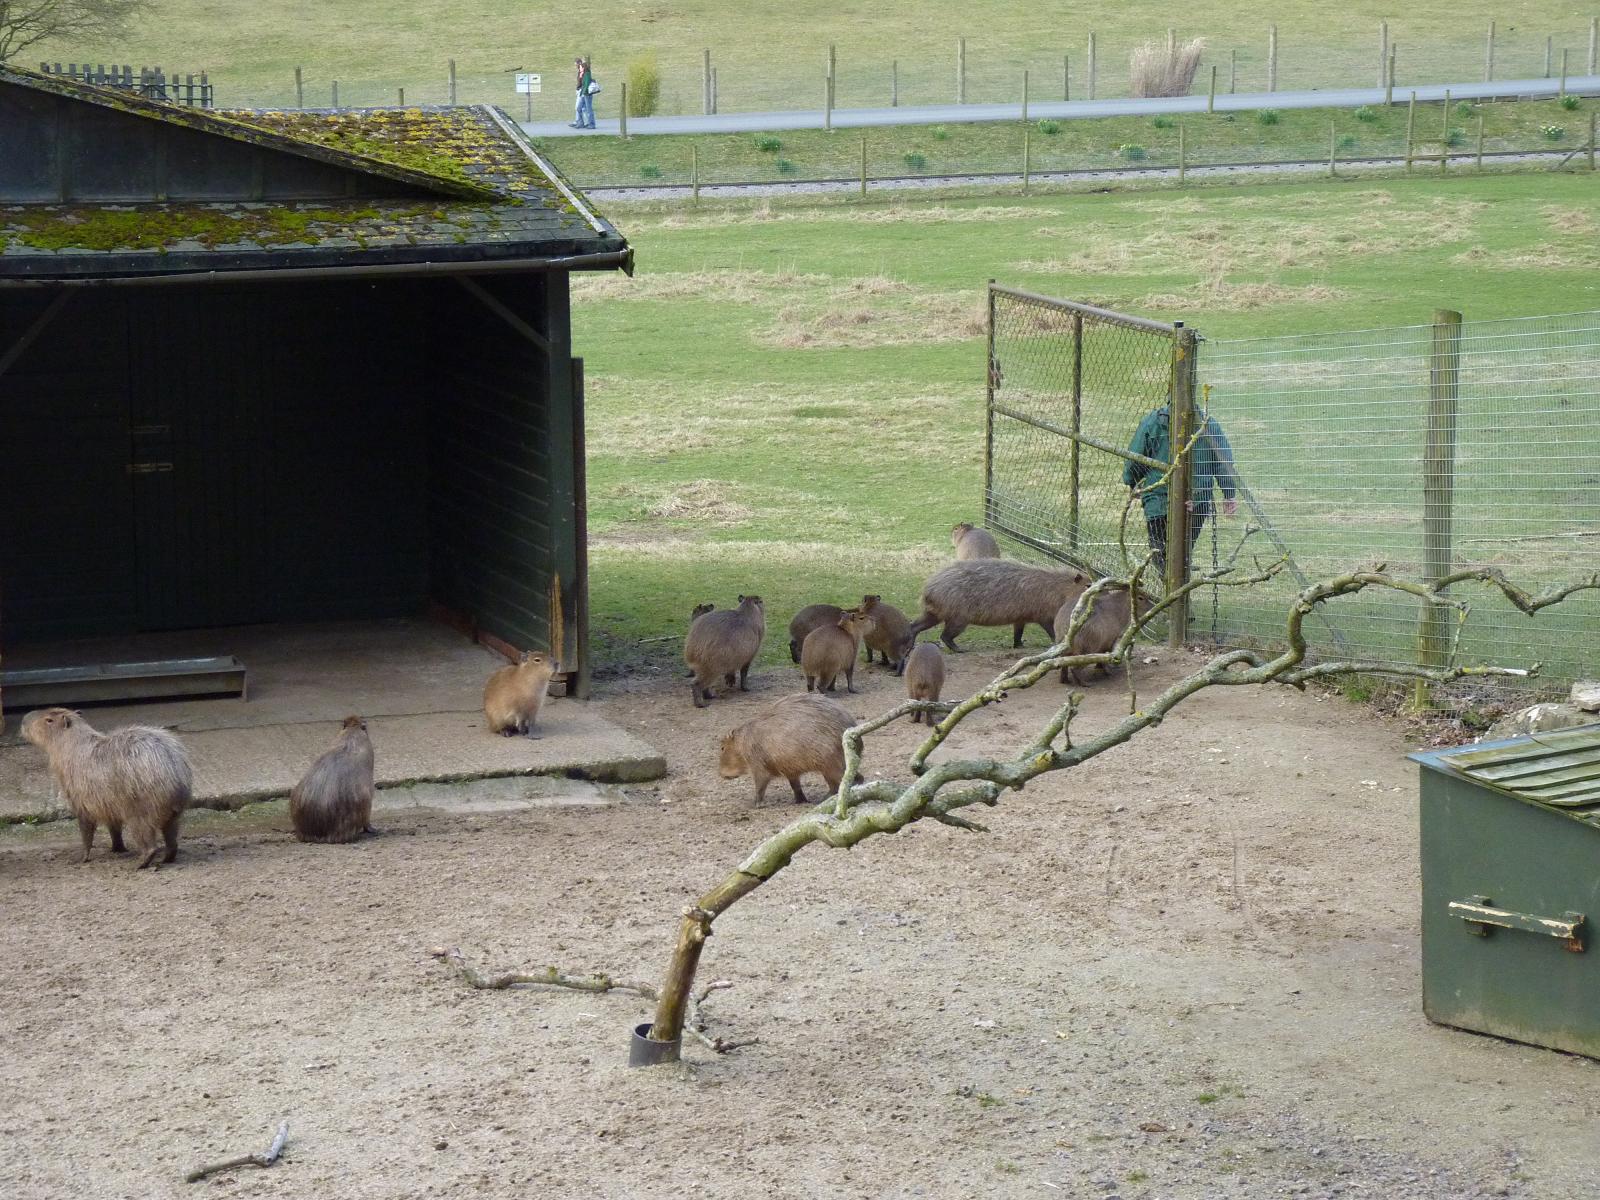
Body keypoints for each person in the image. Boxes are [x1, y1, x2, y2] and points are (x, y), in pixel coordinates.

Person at [1123, 404, 1238, 574]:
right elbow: (1223, 461)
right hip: (1197, 499)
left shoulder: (1153, 422)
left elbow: (1136, 457)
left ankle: (1173, 587)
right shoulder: (1207, 423)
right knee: (1183, 551)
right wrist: (1229, 494)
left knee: (1161, 553)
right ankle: (1178, 584)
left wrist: (1132, 481)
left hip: (1160, 499)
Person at [571, 57, 596, 129]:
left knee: (588, 109)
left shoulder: (587, 73)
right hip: (583, 93)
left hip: (587, 94)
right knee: (579, 108)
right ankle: (581, 123)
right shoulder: (582, 73)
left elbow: (586, 84)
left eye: (580, 66)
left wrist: (583, 92)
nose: (579, 67)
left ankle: (592, 124)